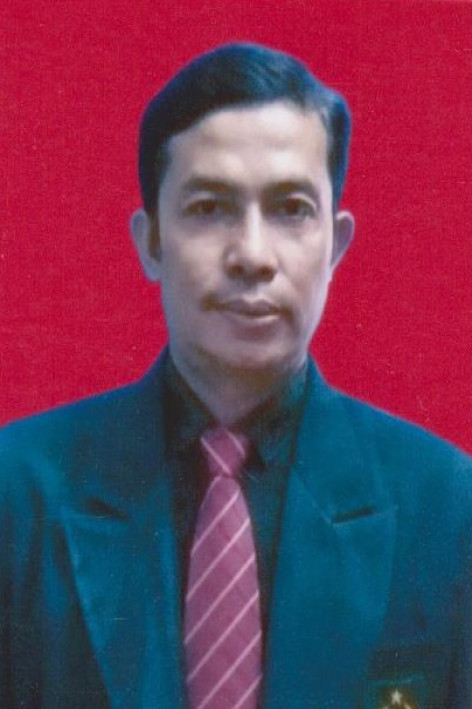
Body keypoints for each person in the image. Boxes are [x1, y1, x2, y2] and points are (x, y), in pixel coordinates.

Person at [1, 43, 471, 709]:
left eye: (291, 209)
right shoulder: (18, 492)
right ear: (151, 242)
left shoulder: (447, 506)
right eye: (209, 207)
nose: (252, 254)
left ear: (335, 245)